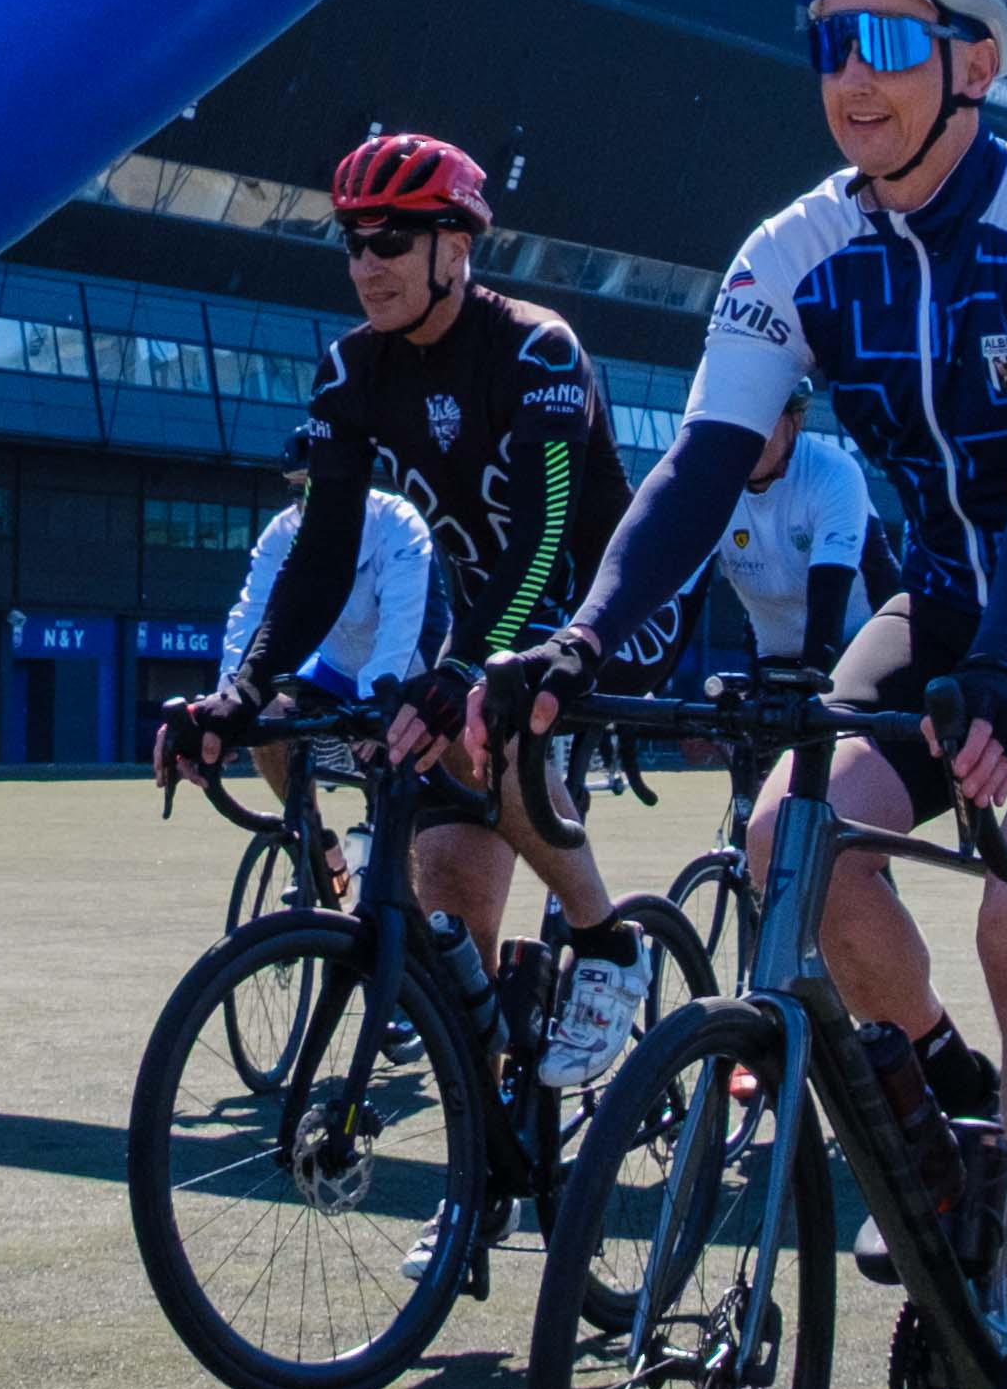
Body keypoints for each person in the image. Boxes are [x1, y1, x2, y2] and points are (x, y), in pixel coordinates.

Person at [486, 0, 1007, 1389]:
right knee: (784, 850)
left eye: (889, 42)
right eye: (832, 46)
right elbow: (695, 466)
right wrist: (588, 638)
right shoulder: (794, 247)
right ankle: (958, 1126)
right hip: (949, 604)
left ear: (972, 61)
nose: (854, 80)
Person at [165, 132, 651, 1088]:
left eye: (390, 239)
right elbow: (320, 552)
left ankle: (608, 946)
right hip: (494, 638)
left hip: (606, 624)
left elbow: (543, 539)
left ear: (456, 250)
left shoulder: (539, 347)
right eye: (351, 241)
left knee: (486, 728)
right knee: (451, 927)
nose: (365, 264)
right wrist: (242, 691)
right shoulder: (352, 370)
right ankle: (490, 1170)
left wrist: (461, 672)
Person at [206, 455, 440, 909]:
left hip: (408, 662)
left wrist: (380, 708)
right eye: (297, 495)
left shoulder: (397, 523)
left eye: (317, 491)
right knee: (265, 713)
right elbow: (250, 615)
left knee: (393, 787)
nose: (307, 506)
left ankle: (393, 889)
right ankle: (313, 841)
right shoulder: (282, 533)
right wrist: (227, 698)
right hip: (334, 663)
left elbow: (402, 627)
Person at [697, 387, 879, 682]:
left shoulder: (833, 471)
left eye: (762, 417)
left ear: (797, 420)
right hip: (773, 649)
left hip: (857, 646)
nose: (748, 433)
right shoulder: (710, 484)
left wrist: (813, 679)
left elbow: (827, 596)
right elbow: (681, 597)